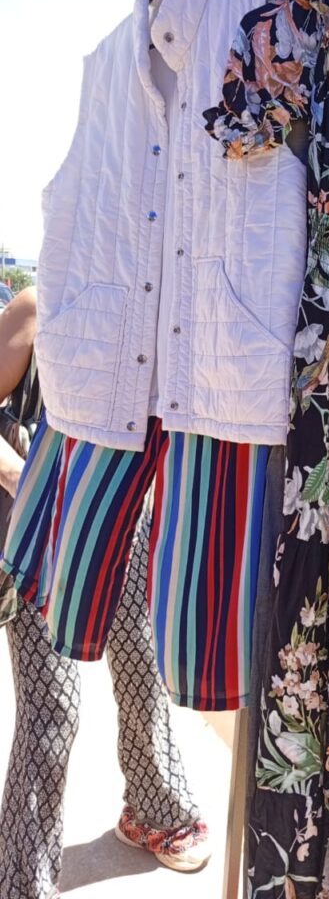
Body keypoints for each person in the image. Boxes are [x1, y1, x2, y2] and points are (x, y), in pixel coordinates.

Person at [0, 288, 210, 899]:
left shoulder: (154, 304)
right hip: (45, 524)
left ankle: (155, 809)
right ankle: (24, 882)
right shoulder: (39, 304)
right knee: (55, 708)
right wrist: (23, 476)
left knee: (142, 665)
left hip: (123, 518)